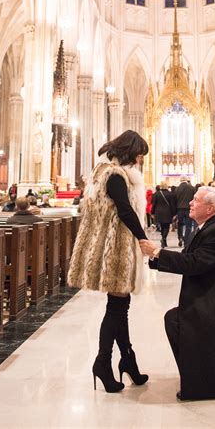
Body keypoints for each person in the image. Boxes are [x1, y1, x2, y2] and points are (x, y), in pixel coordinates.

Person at [140, 187, 215, 401]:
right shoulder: (207, 227)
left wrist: (157, 251)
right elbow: (188, 258)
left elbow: (194, 263)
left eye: (196, 200)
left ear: (210, 208)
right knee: (175, 318)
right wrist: (156, 259)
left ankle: (205, 383)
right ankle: (203, 376)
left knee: (176, 321)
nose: (190, 203)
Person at [67, 130, 149, 394]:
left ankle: (128, 361)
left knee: (120, 305)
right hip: (115, 249)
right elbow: (124, 210)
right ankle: (102, 363)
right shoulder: (114, 175)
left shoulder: (103, 170)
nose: (140, 159)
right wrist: (143, 238)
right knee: (117, 307)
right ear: (130, 151)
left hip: (114, 246)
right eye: (139, 154)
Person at [151, 182, 176, 248]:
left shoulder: (156, 194)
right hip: (167, 212)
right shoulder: (170, 194)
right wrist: (174, 214)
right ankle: (164, 239)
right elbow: (172, 205)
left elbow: (154, 204)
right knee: (167, 227)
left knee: (162, 226)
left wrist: (152, 212)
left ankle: (164, 241)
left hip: (158, 212)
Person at [175, 176, 195, 247]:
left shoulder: (177, 189)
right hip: (188, 209)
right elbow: (194, 199)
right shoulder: (192, 188)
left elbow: (175, 200)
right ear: (187, 180)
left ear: (180, 180)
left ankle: (180, 238)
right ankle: (186, 240)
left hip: (179, 209)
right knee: (188, 225)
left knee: (180, 224)